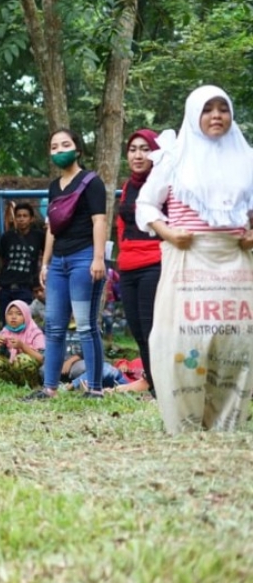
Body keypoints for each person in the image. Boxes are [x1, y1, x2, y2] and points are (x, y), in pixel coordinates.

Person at [137, 86, 253, 432]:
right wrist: (170, 233)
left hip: (234, 264)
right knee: (184, 338)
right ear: (193, 115)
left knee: (237, 337)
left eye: (223, 109)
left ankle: (226, 421)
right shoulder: (175, 159)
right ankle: (185, 421)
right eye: (207, 110)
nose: (216, 116)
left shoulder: (246, 160)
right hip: (188, 263)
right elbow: (146, 205)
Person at [27, 128, 108, 401]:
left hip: (84, 259)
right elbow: (52, 227)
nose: (59, 150)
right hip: (58, 262)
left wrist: (98, 258)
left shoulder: (91, 182)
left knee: (85, 325)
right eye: (54, 146)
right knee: (54, 326)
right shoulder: (53, 187)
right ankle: (49, 388)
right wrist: (45, 263)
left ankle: (95, 388)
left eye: (65, 145)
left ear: (78, 149)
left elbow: (100, 220)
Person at [111, 129, 161, 395]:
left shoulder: (164, 182)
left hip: (155, 263)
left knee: (152, 328)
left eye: (145, 149)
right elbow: (121, 224)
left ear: (155, 153)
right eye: (133, 149)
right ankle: (153, 382)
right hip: (128, 267)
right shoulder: (128, 186)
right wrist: (123, 255)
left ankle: (163, 386)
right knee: (138, 331)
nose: (138, 155)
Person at [0, 202, 45, 324]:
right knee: (6, 322)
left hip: (25, 287)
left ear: (31, 219)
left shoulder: (39, 236)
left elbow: (47, 255)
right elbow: (2, 260)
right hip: (6, 286)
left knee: (23, 321)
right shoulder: (6, 237)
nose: (21, 219)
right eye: (18, 216)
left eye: (25, 216)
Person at [0, 300, 45, 387]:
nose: (13, 317)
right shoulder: (6, 331)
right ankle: (16, 383)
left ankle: (34, 385)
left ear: (26, 316)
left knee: (22, 359)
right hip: (14, 368)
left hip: (35, 372)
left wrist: (22, 346)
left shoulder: (35, 332)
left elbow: (42, 359)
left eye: (18, 314)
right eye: (10, 314)